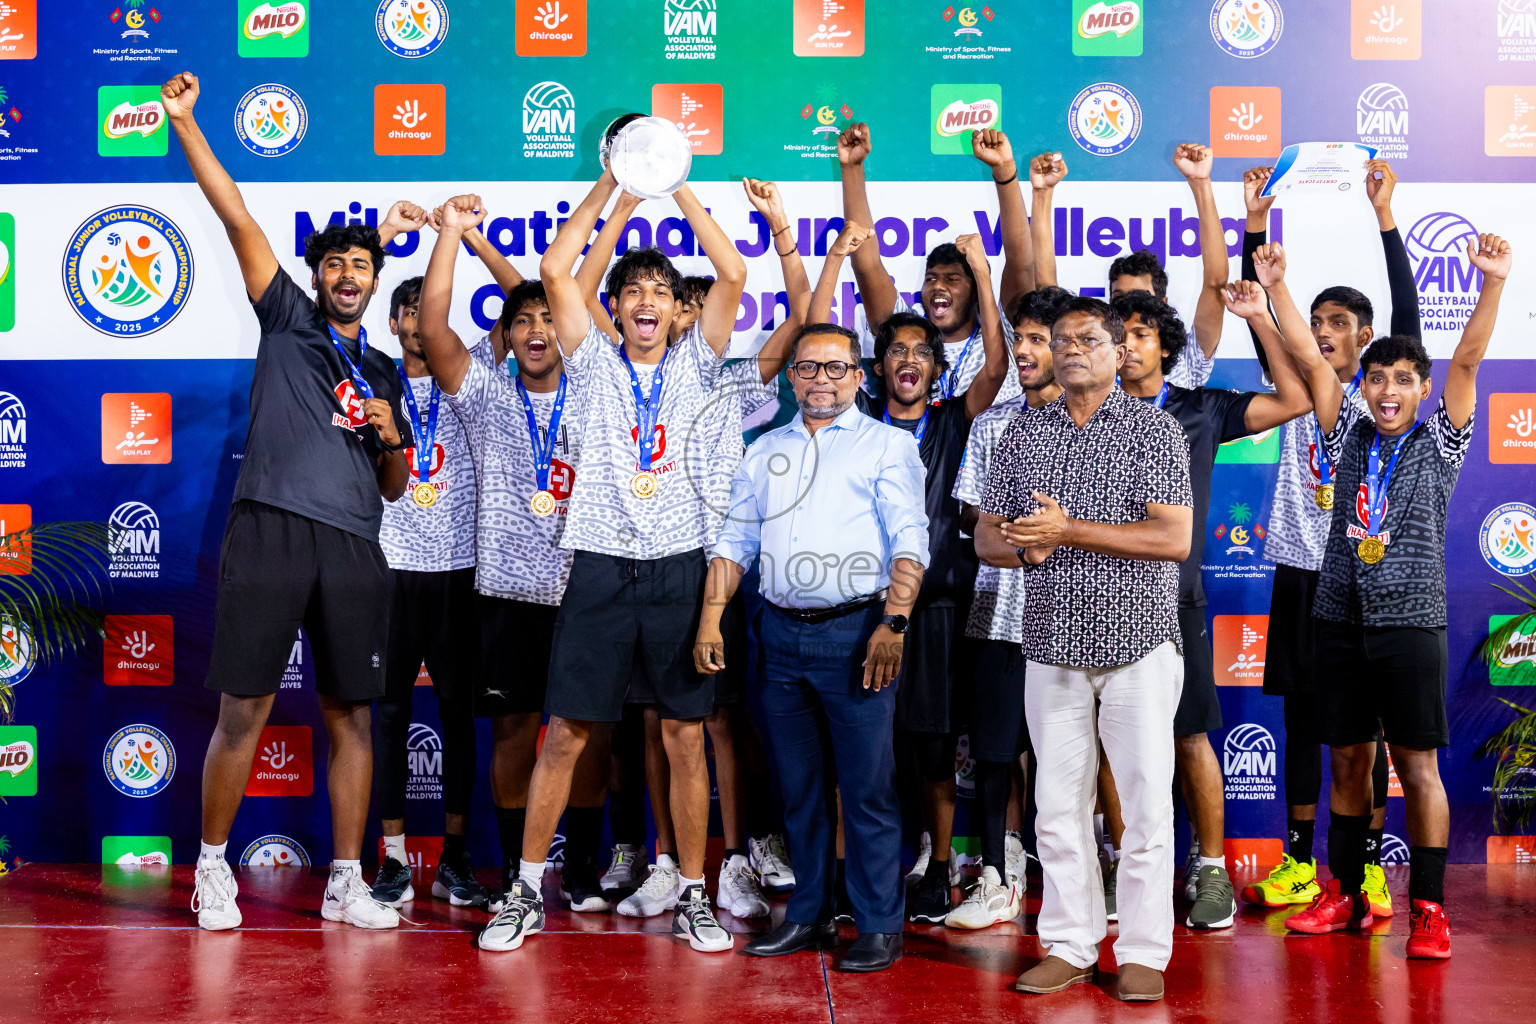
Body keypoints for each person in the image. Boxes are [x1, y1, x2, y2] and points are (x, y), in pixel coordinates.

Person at [164, 71, 412, 932]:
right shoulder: (287, 320)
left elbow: (395, 486)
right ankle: (212, 869)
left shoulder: (386, 372)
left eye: (362, 266)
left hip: (352, 546)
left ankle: (347, 880)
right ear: (317, 276)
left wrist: (392, 436)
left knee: (352, 714)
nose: (349, 275)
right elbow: (235, 214)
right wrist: (187, 123)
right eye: (336, 263)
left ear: (377, 282)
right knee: (246, 710)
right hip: (270, 528)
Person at [479, 167, 748, 954]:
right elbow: (560, 269)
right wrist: (623, 190)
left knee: (684, 737)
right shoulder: (590, 359)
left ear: (675, 309)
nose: (645, 303)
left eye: (660, 292)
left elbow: (731, 270)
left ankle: (694, 892)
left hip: (676, 566)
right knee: (564, 732)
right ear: (618, 307)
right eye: (632, 292)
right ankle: (526, 890)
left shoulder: (701, 360)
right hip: (597, 564)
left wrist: (679, 189)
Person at [1264, 234, 1512, 960]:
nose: (1390, 390)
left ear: (1422, 390)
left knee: (1417, 770)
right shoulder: (1342, 429)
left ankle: (1430, 908)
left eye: (1405, 379)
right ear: (1364, 387)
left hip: (1409, 626)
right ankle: (1342, 890)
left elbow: (1466, 360)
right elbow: (1311, 361)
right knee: (1346, 761)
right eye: (1378, 379)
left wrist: (1492, 282)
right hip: (1337, 619)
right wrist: (1277, 288)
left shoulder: (1442, 443)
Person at [976, 297, 1192, 1003]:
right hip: (1052, 645)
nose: (1071, 349)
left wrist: (1067, 531)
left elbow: (1172, 540)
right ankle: (1069, 945)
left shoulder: (1154, 430)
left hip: (1139, 645)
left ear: (1120, 350)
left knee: (1144, 805)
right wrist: (1025, 542)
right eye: (1059, 339)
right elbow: (985, 539)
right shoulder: (1021, 434)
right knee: (1056, 808)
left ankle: (1141, 950)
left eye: (1088, 339)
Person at [697, 322, 930, 973]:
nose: (821, 379)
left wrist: (896, 622)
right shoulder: (764, 450)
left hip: (858, 634)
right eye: (808, 368)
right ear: (790, 376)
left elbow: (910, 538)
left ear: (860, 376)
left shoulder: (888, 447)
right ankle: (809, 914)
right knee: (797, 788)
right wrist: (711, 619)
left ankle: (880, 923)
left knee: (866, 790)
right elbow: (735, 542)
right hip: (774, 633)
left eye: (836, 368)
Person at [623, 178, 805, 922]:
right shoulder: (629, 380)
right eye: (682, 308)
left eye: (698, 310)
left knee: (719, 721)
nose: (692, 321)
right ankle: (668, 860)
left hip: (715, 573)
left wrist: (782, 234)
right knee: (654, 723)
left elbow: (798, 325)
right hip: (641, 565)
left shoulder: (733, 382)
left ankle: (731, 859)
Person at [1241, 162, 1410, 917]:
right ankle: (1303, 864)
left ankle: (1367, 869)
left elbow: (1404, 316)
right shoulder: (1296, 393)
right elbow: (1277, 336)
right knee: (1304, 724)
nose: (1322, 334)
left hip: (1359, 580)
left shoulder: (1380, 403)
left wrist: (1385, 215)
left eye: (1338, 323)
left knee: (1363, 733)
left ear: (1367, 340)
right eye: (1317, 322)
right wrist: (1253, 227)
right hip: (1297, 575)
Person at [943, 285, 1072, 930]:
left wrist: (1058, 534)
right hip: (997, 611)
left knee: (1067, 754)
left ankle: (1074, 884)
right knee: (994, 753)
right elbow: (973, 518)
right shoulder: (993, 422)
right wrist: (1026, 542)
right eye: (1017, 338)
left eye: (1035, 341)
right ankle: (995, 876)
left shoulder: (1109, 423)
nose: (1021, 352)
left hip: (1082, 618)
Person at [369, 270, 487, 911]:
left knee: (458, 718)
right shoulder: (369, 381)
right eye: (408, 312)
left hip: (460, 572)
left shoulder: (470, 382)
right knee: (387, 716)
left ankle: (456, 859)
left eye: (428, 310)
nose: (418, 322)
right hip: (388, 569)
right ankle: (390, 862)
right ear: (393, 324)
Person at [836, 123, 1034, 402]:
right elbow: (867, 266)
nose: (938, 286)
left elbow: (1021, 262)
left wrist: (1004, 172)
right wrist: (852, 169)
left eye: (952, 279)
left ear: (977, 288)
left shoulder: (1007, 332)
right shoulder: (905, 332)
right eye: (931, 279)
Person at [1028, 150, 1218, 390]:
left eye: (1141, 298)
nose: (1128, 307)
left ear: (1164, 303)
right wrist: (1042, 194)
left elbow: (1215, 284)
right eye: (1120, 299)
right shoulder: (1089, 358)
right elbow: (1047, 287)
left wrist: (1200, 183)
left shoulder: (1185, 363)